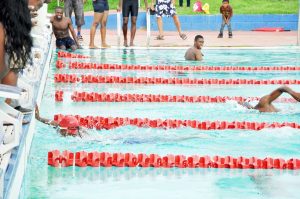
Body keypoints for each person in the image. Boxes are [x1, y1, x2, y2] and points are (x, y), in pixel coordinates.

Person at [0, 0, 33, 114]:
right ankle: (8, 109)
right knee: (12, 68)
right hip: (12, 28)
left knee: (14, 67)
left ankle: (12, 106)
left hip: (13, 27)